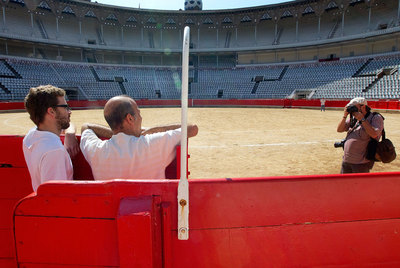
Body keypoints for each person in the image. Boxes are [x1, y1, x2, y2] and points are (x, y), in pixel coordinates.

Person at [80, 95, 198, 180]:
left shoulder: (96, 150)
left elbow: (86, 127)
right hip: (150, 209)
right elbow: (192, 128)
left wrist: (118, 133)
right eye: (139, 113)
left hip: (110, 211)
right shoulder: (152, 144)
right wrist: (154, 130)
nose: (141, 118)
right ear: (130, 118)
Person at [23, 85, 79, 191]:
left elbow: (68, 125)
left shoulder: (31, 136)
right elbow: (56, 197)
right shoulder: (54, 151)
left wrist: (70, 133)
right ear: (51, 112)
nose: (69, 111)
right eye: (65, 107)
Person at [336, 97, 384, 174]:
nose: (352, 109)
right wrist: (344, 116)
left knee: (360, 185)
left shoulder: (375, 118)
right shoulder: (354, 118)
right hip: (346, 160)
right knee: (344, 185)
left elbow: (374, 134)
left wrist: (362, 119)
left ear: (363, 106)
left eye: (354, 107)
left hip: (361, 163)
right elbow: (339, 129)